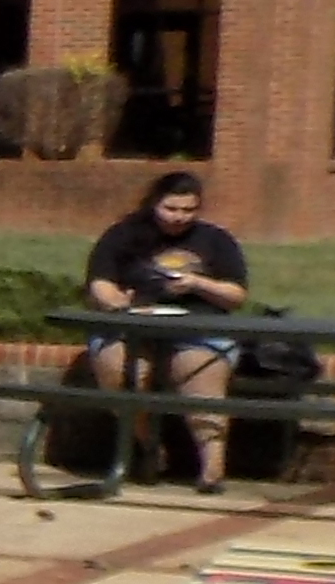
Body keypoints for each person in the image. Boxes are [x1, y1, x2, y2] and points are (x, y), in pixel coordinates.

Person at [79, 168, 250, 487]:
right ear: (154, 204)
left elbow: (236, 295)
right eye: (170, 209)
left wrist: (198, 284)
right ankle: (150, 446)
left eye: (188, 210)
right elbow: (100, 282)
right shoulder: (124, 235)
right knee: (120, 369)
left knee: (201, 375)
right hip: (135, 326)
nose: (179, 217)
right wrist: (119, 304)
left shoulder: (216, 240)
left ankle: (212, 466)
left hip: (199, 327)